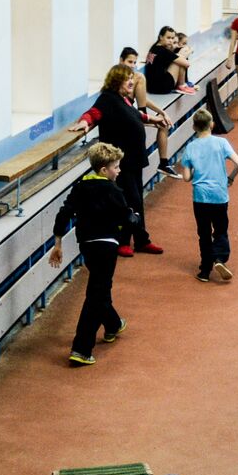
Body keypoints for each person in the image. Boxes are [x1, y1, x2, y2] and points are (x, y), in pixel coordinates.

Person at [49, 142, 136, 366]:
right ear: (104, 170)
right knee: (96, 295)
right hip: (107, 246)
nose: (118, 171)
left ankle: (113, 325)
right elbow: (126, 217)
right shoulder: (113, 190)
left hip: (87, 246)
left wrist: (58, 243)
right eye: (116, 167)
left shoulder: (80, 187)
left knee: (99, 287)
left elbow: (64, 214)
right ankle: (81, 349)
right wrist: (132, 218)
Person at [68, 65, 163, 257]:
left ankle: (142, 240)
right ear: (115, 81)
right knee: (129, 200)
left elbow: (137, 115)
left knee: (137, 200)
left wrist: (153, 120)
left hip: (134, 159)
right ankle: (123, 241)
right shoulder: (107, 99)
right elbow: (92, 114)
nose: (131, 81)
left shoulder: (124, 100)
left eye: (131, 78)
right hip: (121, 163)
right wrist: (84, 123)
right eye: (127, 78)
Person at [177, 107, 238, 284]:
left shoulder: (190, 148)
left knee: (204, 233)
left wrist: (191, 171)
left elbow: (186, 178)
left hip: (200, 197)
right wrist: (230, 178)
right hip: (219, 195)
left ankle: (205, 270)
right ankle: (219, 258)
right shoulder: (221, 143)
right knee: (220, 230)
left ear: (194, 127)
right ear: (212, 124)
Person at [118, 47, 175, 179]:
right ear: (121, 60)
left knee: (163, 123)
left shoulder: (132, 78)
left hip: (134, 115)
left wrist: (161, 111)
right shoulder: (122, 78)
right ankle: (142, 115)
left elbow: (142, 98)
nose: (132, 66)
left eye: (134, 63)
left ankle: (163, 164)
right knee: (140, 77)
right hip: (124, 119)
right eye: (129, 62)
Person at [145, 26, 195, 95]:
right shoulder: (164, 51)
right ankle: (181, 86)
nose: (171, 41)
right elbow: (187, 64)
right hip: (162, 88)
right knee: (180, 59)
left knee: (177, 57)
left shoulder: (154, 48)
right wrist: (190, 51)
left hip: (150, 88)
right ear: (161, 37)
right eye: (168, 38)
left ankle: (183, 84)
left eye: (172, 38)